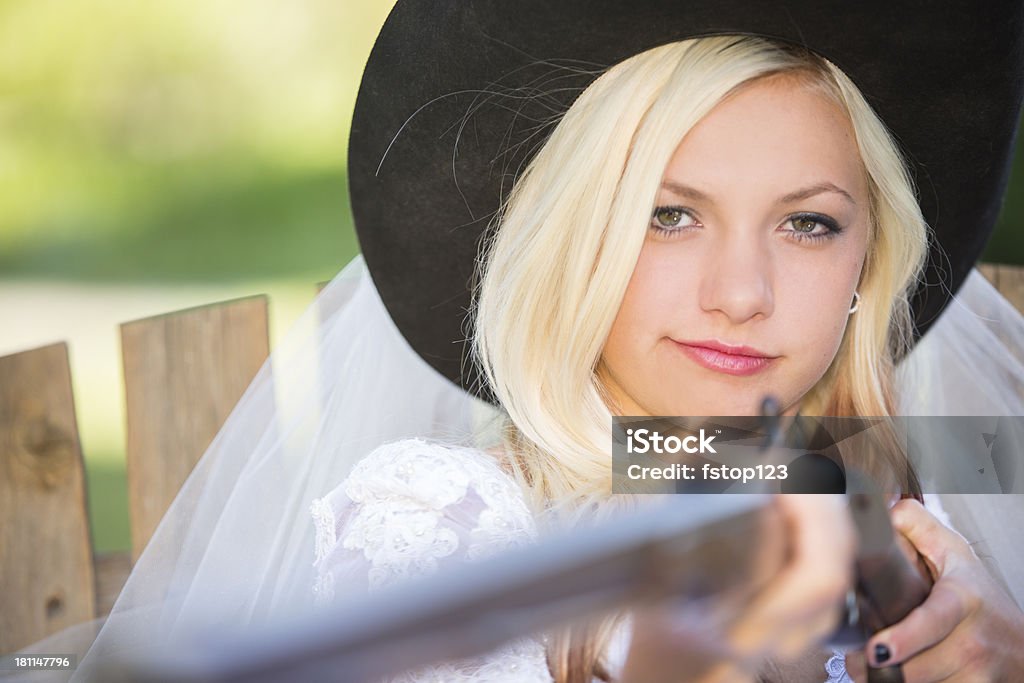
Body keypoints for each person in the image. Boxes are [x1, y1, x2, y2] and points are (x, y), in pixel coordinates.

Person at [7, 2, 1024, 683]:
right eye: (666, 214)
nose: (741, 293)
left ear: (869, 265)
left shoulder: (957, 480)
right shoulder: (439, 519)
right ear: (570, 240)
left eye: (809, 223)